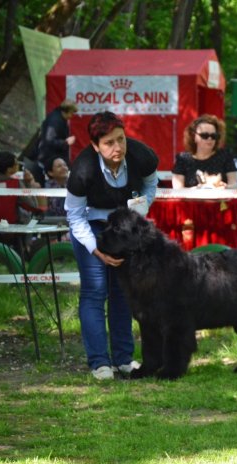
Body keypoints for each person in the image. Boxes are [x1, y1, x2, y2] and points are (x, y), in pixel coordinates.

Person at [65, 111, 159, 380]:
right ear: (95, 146)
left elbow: (151, 185)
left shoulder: (143, 156)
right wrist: (96, 249)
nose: (117, 147)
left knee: (123, 292)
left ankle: (124, 359)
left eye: (121, 139)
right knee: (95, 292)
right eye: (108, 143)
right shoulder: (82, 171)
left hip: (125, 228)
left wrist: (139, 212)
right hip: (92, 226)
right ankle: (99, 362)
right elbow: (74, 215)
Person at [171, 115, 237, 189]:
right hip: (190, 200)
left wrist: (225, 187)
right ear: (193, 136)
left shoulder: (226, 156)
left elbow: (234, 184)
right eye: (204, 135)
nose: (209, 139)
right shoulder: (183, 159)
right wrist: (197, 189)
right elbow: (177, 189)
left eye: (213, 136)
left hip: (219, 199)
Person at [0, 151, 43, 228]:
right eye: (16, 164)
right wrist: (28, 183)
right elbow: (32, 205)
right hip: (10, 228)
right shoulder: (15, 183)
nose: (18, 165)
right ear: (9, 169)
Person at [37, 100, 77, 187]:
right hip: (49, 157)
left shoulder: (58, 118)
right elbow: (49, 140)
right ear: (67, 111)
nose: (72, 116)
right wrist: (66, 142)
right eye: (72, 113)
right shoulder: (55, 121)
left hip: (52, 156)